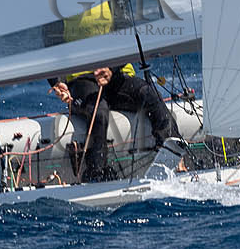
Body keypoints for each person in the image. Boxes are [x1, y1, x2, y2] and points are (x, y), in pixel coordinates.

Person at [47, 63, 176, 183]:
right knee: (99, 114)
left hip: (118, 75)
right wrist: (58, 82)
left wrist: (111, 68)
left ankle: (175, 159)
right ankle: (95, 174)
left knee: (151, 96)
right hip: (82, 81)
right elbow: (51, 50)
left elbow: (128, 42)